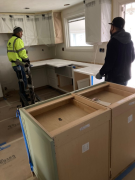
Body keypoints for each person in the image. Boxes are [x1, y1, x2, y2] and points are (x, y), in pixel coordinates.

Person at [96, 17, 135, 86]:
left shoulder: (113, 42)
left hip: (114, 79)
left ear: (113, 27)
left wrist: (101, 73)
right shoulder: (130, 41)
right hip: (125, 77)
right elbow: (132, 58)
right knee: (121, 95)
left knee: (111, 96)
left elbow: (109, 63)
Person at [7, 26, 30, 97]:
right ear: (17, 33)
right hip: (19, 64)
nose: (22, 34)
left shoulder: (10, 40)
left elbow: (13, 52)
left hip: (14, 64)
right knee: (24, 80)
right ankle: (24, 96)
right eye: (21, 32)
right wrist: (27, 60)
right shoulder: (18, 40)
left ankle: (22, 96)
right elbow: (22, 52)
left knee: (21, 80)